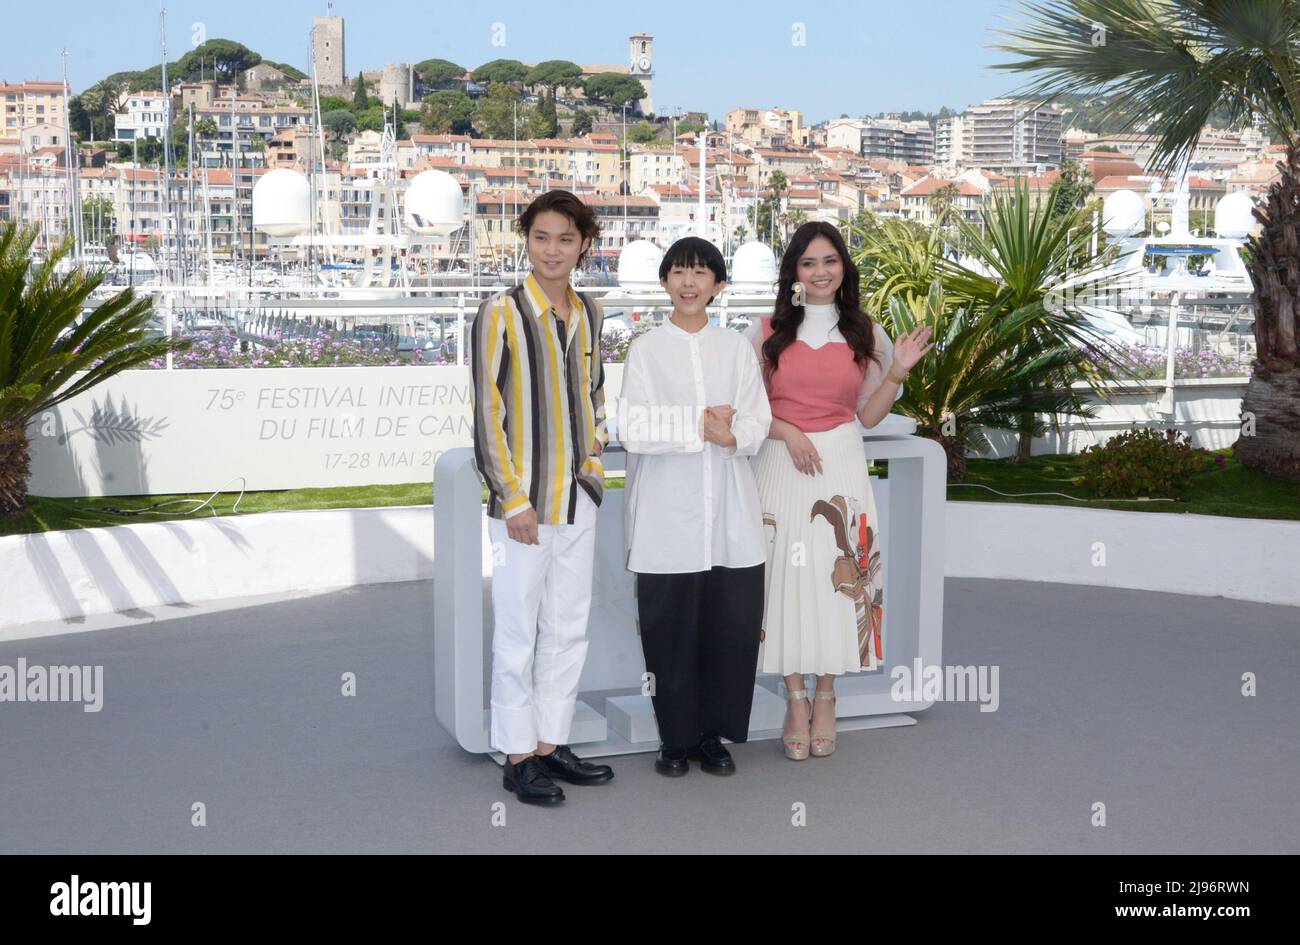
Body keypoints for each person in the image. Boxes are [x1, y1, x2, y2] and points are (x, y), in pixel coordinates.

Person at [743, 221, 933, 761]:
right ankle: (795, 698)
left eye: (829, 261)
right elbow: (750, 412)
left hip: (844, 464)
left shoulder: (864, 334)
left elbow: (868, 415)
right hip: (782, 463)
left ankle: (827, 695)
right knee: (785, 579)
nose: (820, 272)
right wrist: (789, 431)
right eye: (808, 263)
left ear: (843, 267)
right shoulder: (764, 333)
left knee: (840, 578)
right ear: (794, 272)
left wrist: (896, 371)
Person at [469, 190, 616, 805]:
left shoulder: (591, 313)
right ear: (525, 239)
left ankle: (552, 744)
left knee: (567, 628)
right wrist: (512, 500)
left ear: (583, 244)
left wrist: (594, 462)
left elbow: (595, 395)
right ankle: (517, 754)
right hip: (523, 507)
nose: (552, 250)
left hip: (577, 499)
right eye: (541, 237)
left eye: (565, 238)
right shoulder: (499, 312)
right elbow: (487, 411)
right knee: (516, 633)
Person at [619, 237, 772, 777]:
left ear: (718, 284)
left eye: (701, 273)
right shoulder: (645, 349)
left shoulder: (734, 349)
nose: (689, 282)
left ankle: (712, 736)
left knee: (728, 631)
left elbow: (757, 421)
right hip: (666, 516)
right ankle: (674, 739)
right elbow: (632, 428)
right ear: (664, 281)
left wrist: (729, 436)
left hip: (731, 516)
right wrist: (699, 425)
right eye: (679, 272)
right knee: (669, 634)